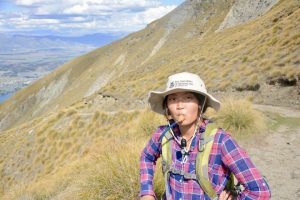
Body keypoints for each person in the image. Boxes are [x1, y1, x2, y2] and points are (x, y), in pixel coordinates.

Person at [139, 72, 271, 200]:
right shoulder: (163, 135)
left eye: (188, 98)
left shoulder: (220, 141)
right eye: (173, 99)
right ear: (167, 106)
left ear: (200, 104)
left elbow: (260, 192)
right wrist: (147, 193)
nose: (179, 106)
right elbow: (146, 157)